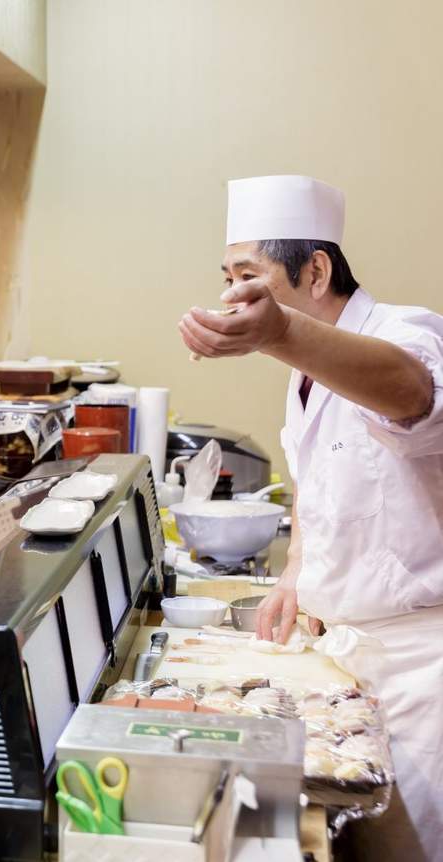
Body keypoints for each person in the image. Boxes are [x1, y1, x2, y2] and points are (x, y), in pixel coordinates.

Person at [179, 175, 443, 859]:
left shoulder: (401, 334)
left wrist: (280, 331)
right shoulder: (301, 371)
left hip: (421, 670)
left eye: (248, 276)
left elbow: (411, 392)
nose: (233, 293)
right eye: (227, 277)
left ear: (315, 269)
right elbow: (313, 481)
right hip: (346, 660)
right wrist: (297, 568)